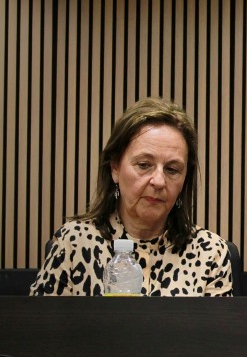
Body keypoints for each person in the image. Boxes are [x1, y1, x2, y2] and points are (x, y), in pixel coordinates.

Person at [30, 97, 234, 296]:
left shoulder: (209, 252)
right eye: (144, 165)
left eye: (172, 169)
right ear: (115, 168)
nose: (159, 181)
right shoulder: (74, 242)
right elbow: (38, 328)